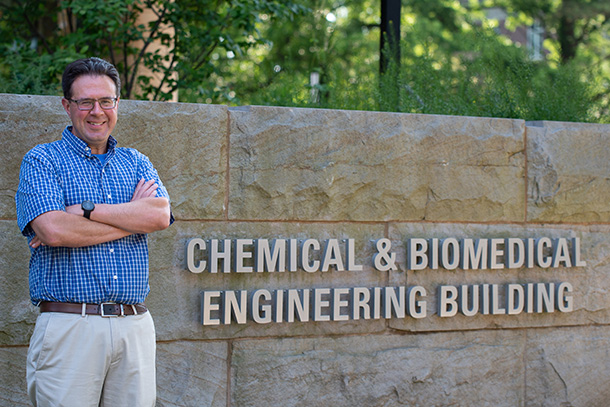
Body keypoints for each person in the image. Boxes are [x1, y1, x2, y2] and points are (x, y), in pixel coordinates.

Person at [15, 57, 172, 406]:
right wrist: (131, 221)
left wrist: (85, 213)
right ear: (67, 106)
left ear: (117, 104)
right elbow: (53, 230)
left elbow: (161, 215)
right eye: (85, 102)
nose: (96, 111)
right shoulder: (42, 160)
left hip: (134, 327)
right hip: (71, 325)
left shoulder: (137, 162)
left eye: (106, 101)